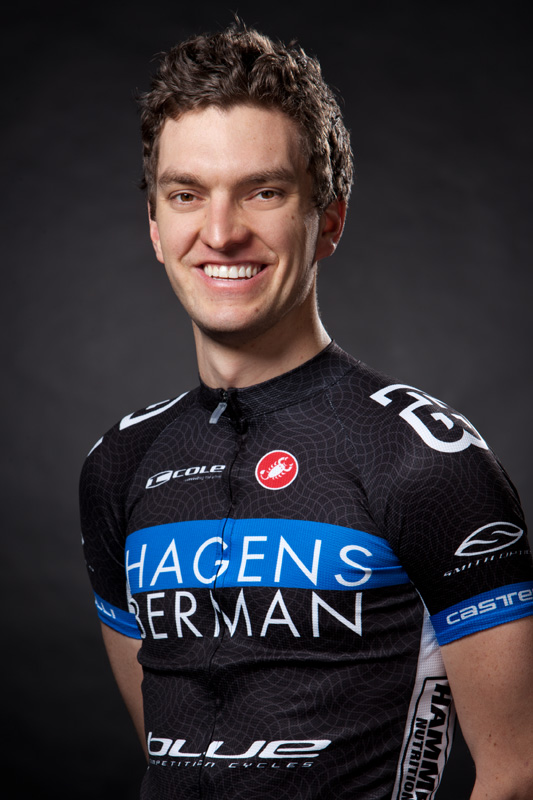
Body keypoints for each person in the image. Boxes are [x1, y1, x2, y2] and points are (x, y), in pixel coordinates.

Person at [79, 22, 533, 800]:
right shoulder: (118, 463)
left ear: (327, 220)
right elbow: (167, 750)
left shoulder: (423, 458)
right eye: (186, 195)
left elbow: (516, 772)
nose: (220, 232)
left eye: (263, 191)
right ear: (155, 227)